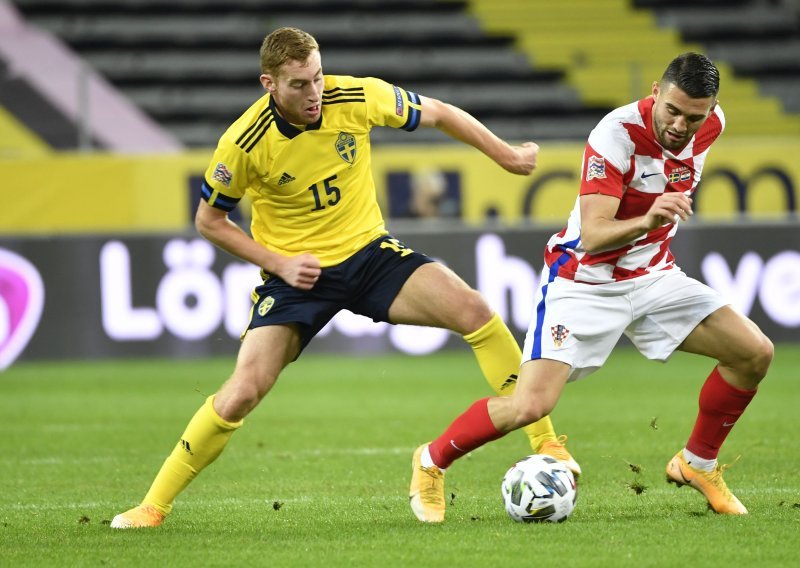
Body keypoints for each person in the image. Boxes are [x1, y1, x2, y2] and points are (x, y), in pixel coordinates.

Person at [110, 26, 578, 529]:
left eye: (317, 77)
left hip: (369, 255)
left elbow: (440, 112)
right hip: (296, 277)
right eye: (299, 84)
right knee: (244, 389)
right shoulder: (243, 143)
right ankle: (152, 506)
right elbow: (209, 221)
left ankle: (545, 442)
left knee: (475, 311)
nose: (314, 92)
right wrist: (279, 263)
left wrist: (506, 154)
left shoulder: (355, 96)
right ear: (269, 84)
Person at [409, 52, 774, 522]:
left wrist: (652, 228)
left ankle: (697, 463)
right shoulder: (615, 135)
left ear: (712, 110)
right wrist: (649, 219)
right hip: (583, 281)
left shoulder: (713, 124)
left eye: (694, 117)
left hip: (653, 276)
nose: (681, 126)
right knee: (530, 405)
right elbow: (595, 234)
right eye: (672, 111)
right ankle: (431, 460)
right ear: (655, 93)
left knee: (754, 353)